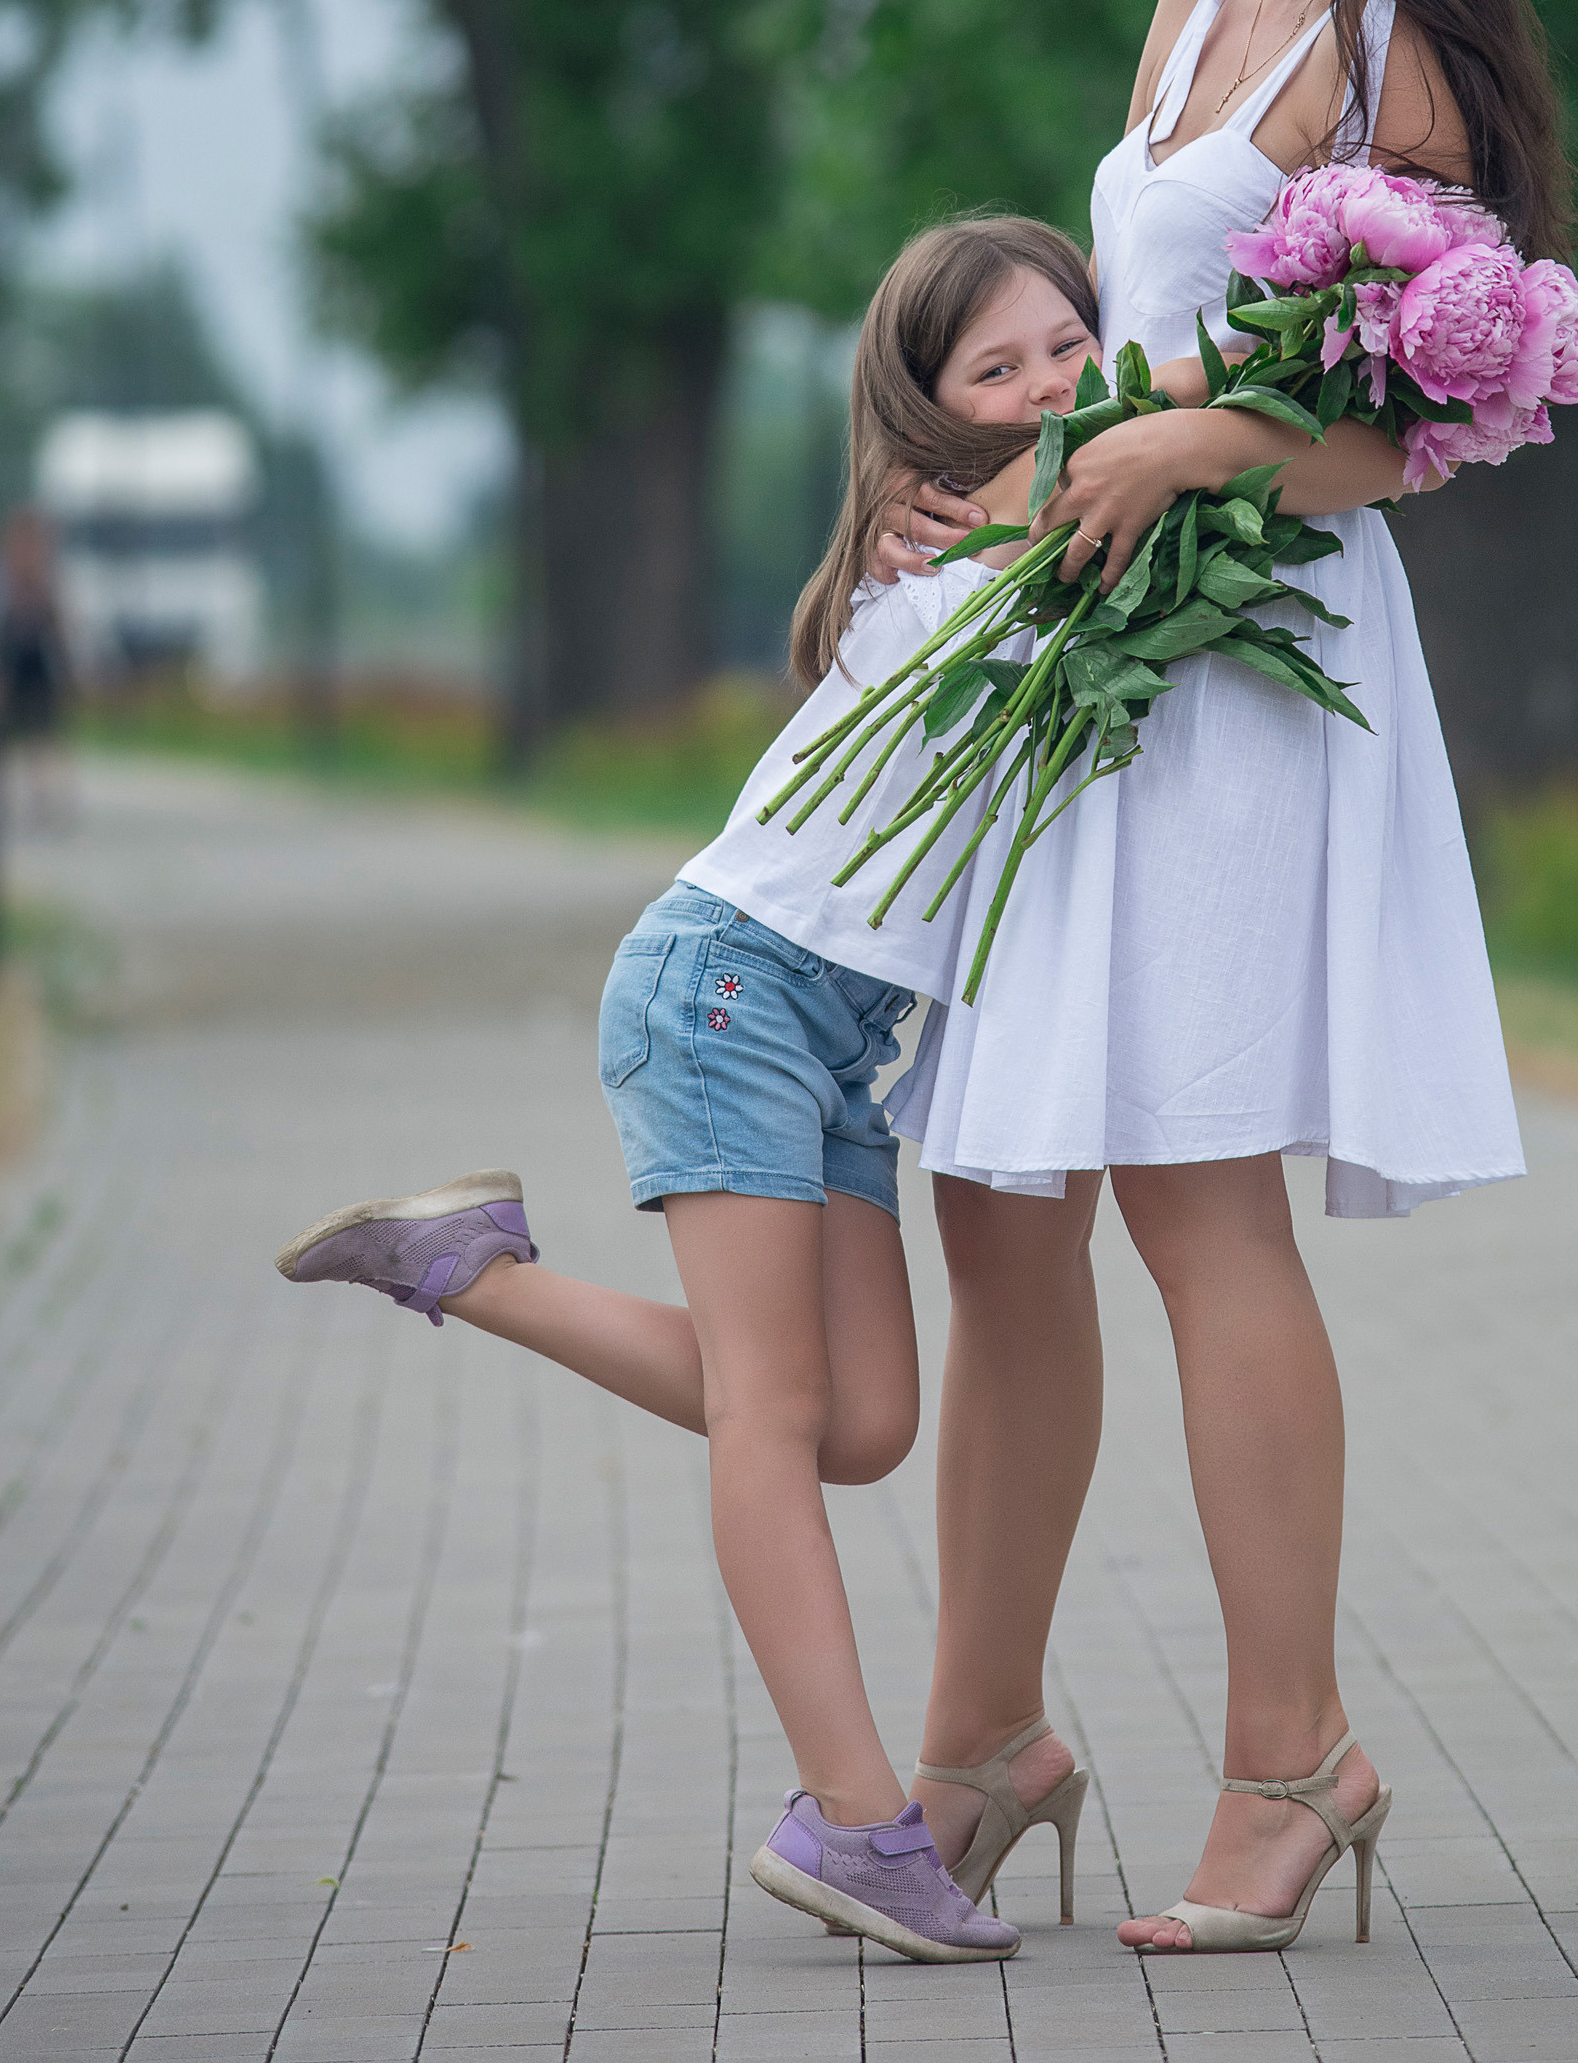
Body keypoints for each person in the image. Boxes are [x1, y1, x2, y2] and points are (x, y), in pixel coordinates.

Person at [873, 0, 1570, 1953]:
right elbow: (1133, 343)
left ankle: (1290, 1758)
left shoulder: (1396, 54)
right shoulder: (1189, 12)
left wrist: (1185, 447)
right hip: (1092, 639)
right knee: (996, 1199)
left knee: (1192, 1196)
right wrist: (1008, 492)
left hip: (1247, 663)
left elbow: (1408, 436)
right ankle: (980, 1742)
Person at [272, 217, 1108, 1968]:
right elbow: (1115, 477)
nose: (1052, 388)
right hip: (729, 991)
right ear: (930, 415)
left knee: (860, 1423)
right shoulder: (964, 551)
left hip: (827, 1037)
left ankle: (471, 1270)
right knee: (775, 1419)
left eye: (1071, 346)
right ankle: (857, 1824)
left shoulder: (1007, 537)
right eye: (1000, 368)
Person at [0, 506, 73, 833]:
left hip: (35, 667)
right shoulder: (4, 578)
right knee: (2, 741)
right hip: (11, 664)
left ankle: (42, 802)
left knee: (40, 740)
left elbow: (58, 629)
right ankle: (3, 804)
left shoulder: (43, 581)